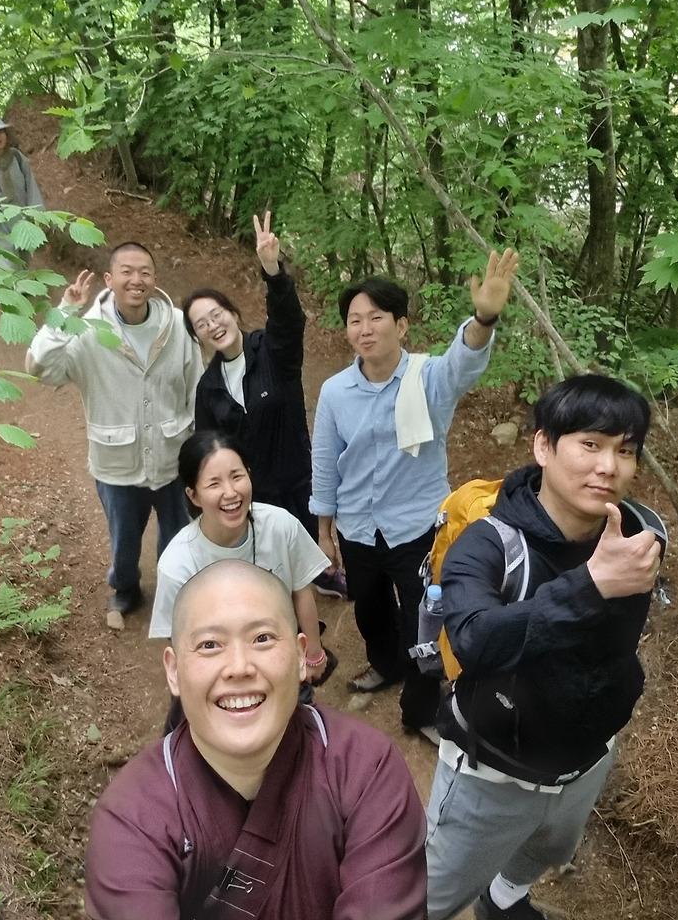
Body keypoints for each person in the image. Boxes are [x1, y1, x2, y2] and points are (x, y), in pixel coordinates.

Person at [425, 375, 667, 920]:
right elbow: (474, 640)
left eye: (625, 450)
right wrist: (590, 586)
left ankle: (504, 897)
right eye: (590, 444)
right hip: (493, 769)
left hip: (588, 755)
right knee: (429, 895)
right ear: (543, 446)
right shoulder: (487, 545)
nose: (609, 466)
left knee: (550, 847)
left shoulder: (637, 534)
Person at [85, 560, 428, 920]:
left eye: (262, 638)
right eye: (209, 644)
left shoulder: (365, 769)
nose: (239, 667)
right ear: (173, 671)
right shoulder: (133, 816)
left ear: (301, 656)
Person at [309, 249, 519, 739]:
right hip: (359, 527)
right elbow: (324, 462)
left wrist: (484, 318)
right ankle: (386, 664)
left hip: (419, 525)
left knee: (425, 620)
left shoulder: (428, 379)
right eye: (355, 320)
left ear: (401, 325)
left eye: (376, 317)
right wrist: (324, 531)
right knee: (369, 609)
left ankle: (421, 708)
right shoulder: (336, 392)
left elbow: (463, 363)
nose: (364, 328)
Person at [26, 242, 202, 630]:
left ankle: (176, 591)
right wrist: (65, 312)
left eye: (145, 272)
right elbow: (38, 367)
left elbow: (196, 388)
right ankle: (125, 589)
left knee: (178, 534)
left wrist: (201, 451)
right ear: (109, 279)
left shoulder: (177, 325)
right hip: (116, 462)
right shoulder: (88, 331)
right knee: (124, 539)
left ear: (154, 279)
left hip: (173, 457)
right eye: (127, 271)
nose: (136, 280)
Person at [181, 211, 346, 598]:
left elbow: (289, 321)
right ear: (198, 337)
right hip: (255, 494)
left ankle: (324, 578)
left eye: (217, 315)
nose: (213, 325)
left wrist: (272, 270)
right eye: (202, 324)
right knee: (271, 575)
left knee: (316, 558)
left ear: (233, 314)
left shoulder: (272, 350)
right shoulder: (208, 388)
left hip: (297, 479)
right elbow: (208, 449)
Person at [149, 431, 333, 692]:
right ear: (193, 495)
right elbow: (181, 640)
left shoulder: (281, 526)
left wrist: (313, 654)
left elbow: (301, 591)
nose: (230, 492)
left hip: (279, 661)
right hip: (219, 676)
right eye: (214, 484)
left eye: (237, 476)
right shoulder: (178, 565)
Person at [0, 116, 44, 265]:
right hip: (0, 224)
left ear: (6, 135)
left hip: (22, 219)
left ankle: (22, 278)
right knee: (8, 264)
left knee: (24, 261)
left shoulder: (18, 158)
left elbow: (31, 186)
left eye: (0, 132)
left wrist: (37, 213)